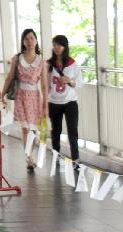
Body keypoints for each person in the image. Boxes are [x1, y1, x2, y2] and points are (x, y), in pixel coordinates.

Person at [0, 29, 48, 172]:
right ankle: (29, 157)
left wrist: (46, 103)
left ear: (36, 40)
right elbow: (10, 77)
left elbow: (44, 84)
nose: (29, 41)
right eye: (26, 39)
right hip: (21, 95)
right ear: (23, 42)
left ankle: (30, 153)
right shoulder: (17, 58)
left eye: (32, 38)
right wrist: (1, 94)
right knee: (25, 128)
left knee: (33, 129)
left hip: (34, 96)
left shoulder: (41, 61)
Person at [47, 34, 83, 169]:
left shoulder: (72, 64)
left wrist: (70, 80)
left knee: (72, 132)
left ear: (65, 47)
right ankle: (56, 156)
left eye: (59, 45)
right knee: (55, 131)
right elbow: (45, 84)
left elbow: (80, 83)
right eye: (54, 44)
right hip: (54, 103)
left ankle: (76, 159)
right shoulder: (49, 64)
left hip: (70, 102)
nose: (56, 47)